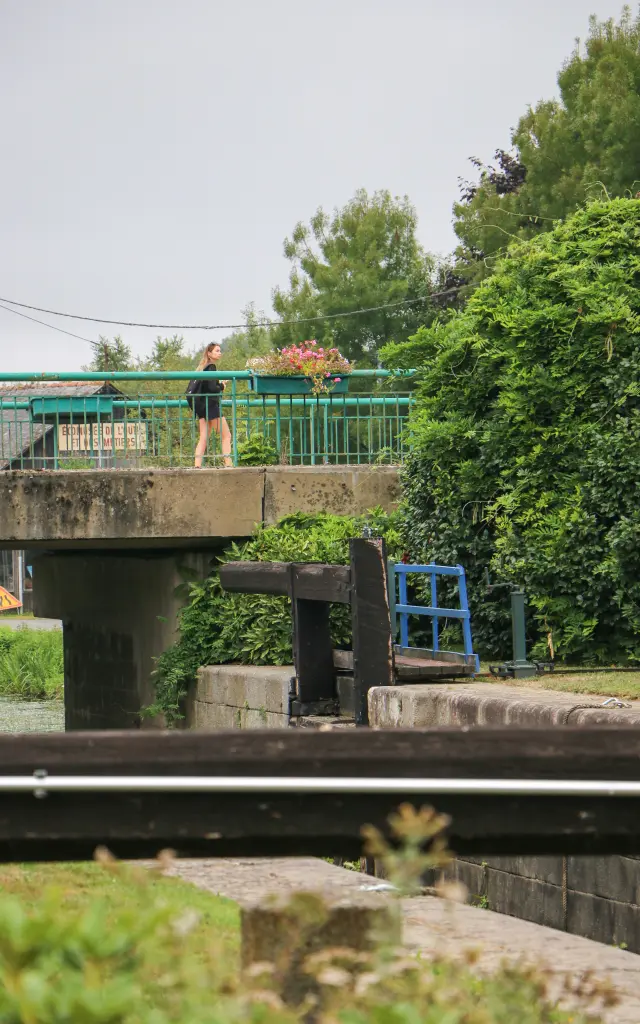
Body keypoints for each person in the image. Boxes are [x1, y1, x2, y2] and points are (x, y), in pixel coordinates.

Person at [192, 343, 232, 468]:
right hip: (211, 406)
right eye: (217, 351)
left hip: (202, 407)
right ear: (209, 353)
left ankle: (197, 465)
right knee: (226, 435)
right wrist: (222, 386)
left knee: (204, 437)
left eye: (220, 351)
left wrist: (218, 385)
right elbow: (211, 388)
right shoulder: (211, 367)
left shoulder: (203, 367)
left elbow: (207, 386)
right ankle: (229, 464)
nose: (220, 353)